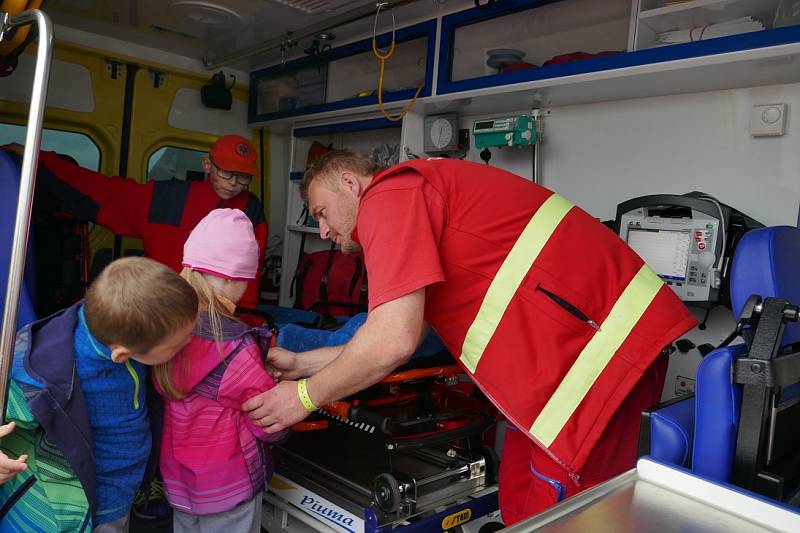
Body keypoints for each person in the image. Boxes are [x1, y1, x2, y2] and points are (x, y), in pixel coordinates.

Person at [242, 151, 698, 525]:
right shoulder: (416, 197)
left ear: (350, 183)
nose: (322, 231)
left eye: (321, 212)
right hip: (559, 371)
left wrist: (301, 397)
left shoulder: (390, 194)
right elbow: (409, 328)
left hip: (601, 360)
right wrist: (306, 363)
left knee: (564, 516)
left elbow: (393, 339)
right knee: (520, 499)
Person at [0, 257, 199, 532]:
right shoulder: (44, 376)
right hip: (88, 507)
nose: (190, 342)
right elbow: (5, 411)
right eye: (178, 345)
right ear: (122, 356)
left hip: (125, 491)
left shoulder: (121, 322)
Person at [1, 134, 267, 312]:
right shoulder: (166, 198)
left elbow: (250, 280)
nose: (234, 183)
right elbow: (103, 191)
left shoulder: (252, 210)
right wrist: (40, 159)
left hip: (221, 319)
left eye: (244, 177)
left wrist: (248, 327)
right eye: (227, 173)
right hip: (164, 313)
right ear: (207, 165)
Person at [153, 209, 286, 533]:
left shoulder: (162, 331)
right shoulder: (237, 349)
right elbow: (269, 422)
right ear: (232, 279)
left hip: (180, 483)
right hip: (229, 486)